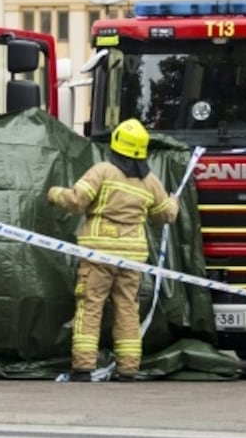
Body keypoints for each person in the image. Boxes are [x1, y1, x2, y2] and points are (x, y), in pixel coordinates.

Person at [47, 119, 178, 381]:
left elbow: (76, 201)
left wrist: (53, 193)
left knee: (91, 306)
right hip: (133, 259)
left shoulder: (103, 171)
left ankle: (83, 367)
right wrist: (174, 201)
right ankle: (128, 369)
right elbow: (166, 215)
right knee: (128, 309)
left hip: (99, 254)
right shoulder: (150, 181)